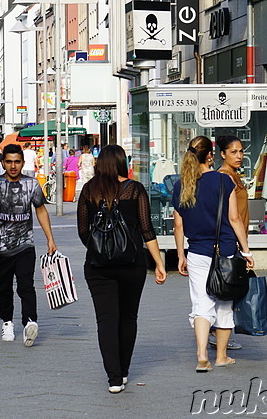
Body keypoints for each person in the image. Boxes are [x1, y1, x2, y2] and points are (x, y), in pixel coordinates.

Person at [76, 145, 167, 394]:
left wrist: (102, 249)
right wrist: (159, 263)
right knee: (128, 318)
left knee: (106, 320)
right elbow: (147, 229)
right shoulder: (134, 189)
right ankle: (124, 370)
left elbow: (83, 232)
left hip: (97, 267)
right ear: (121, 163)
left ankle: (113, 378)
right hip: (132, 263)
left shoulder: (88, 191)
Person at [172, 136, 254, 373]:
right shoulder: (223, 181)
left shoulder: (181, 185)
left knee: (201, 304)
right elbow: (234, 218)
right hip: (225, 251)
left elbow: (179, 225)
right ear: (210, 156)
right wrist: (246, 250)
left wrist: (180, 255)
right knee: (224, 305)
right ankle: (221, 356)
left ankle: (201, 355)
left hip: (197, 252)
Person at [0, 144, 57, 347]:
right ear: (3, 163)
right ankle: (7, 322)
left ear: (22, 163)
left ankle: (30, 321)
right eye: (9, 162)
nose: (13, 166)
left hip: (25, 244)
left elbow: (41, 211)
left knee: (26, 284)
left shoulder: (32, 185)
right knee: (3, 286)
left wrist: (50, 238)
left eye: (17, 162)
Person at [210, 135, 249, 352]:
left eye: (241, 151)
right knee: (226, 288)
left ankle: (218, 332)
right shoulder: (223, 176)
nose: (239, 156)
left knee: (229, 288)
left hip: (236, 239)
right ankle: (217, 333)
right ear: (222, 154)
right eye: (233, 152)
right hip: (228, 240)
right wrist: (244, 247)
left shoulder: (235, 175)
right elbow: (229, 215)